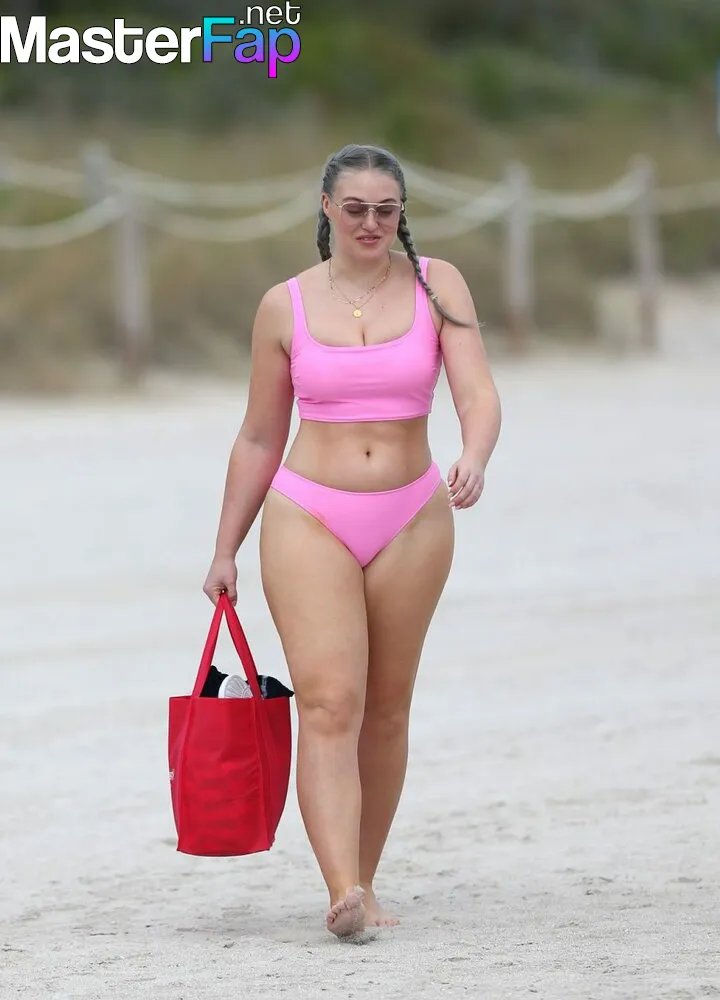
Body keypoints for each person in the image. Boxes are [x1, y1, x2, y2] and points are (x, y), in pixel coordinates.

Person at [202, 143, 502, 939]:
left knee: (387, 710)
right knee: (330, 703)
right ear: (327, 208)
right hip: (308, 514)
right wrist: (226, 546)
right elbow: (259, 436)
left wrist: (474, 456)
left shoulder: (438, 285)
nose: (372, 222)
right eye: (357, 208)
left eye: (387, 210)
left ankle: (366, 879)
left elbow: (478, 392)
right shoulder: (284, 305)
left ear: (402, 213)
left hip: (413, 515)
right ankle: (341, 889)